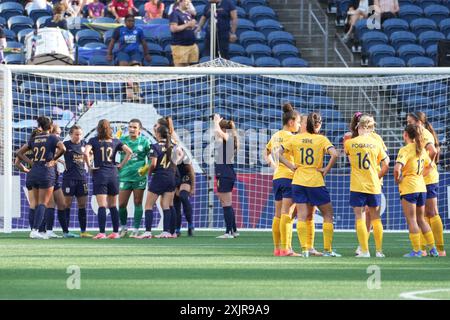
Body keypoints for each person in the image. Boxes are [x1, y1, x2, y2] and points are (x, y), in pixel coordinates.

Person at [279, 112, 340, 257]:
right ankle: (327, 250)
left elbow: (278, 153)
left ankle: (305, 249)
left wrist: (291, 166)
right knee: (328, 214)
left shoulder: (296, 138)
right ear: (318, 125)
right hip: (315, 181)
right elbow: (335, 154)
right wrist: (326, 169)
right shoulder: (321, 139)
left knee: (302, 215)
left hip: (298, 181)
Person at [344, 112, 389, 256]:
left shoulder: (349, 142)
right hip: (374, 183)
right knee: (376, 217)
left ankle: (364, 250)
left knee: (360, 217)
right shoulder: (377, 142)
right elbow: (386, 164)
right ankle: (379, 251)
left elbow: (350, 161)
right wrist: (377, 177)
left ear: (359, 126)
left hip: (357, 184)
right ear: (371, 127)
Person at [16, 116, 66, 240]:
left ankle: (36, 229)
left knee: (36, 203)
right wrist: (53, 160)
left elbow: (19, 153)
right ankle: (35, 230)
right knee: (43, 203)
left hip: (34, 172)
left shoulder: (34, 139)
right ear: (50, 127)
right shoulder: (53, 137)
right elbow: (63, 148)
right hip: (46, 173)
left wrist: (31, 163)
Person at [394, 124, 439, 258]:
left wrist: (398, 179)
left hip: (409, 188)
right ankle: (433, 249)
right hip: (421, 187)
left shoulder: (405, 149)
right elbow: (431, 166)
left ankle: (416, 250)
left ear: (406, 135)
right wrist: (420, 175)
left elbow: (397, 168)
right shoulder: (422, 149)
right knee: (421, 219)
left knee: (412, 220)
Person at [264, 103, 302, 256]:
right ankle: (287, 249)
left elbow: (265, 153)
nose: (299, 125)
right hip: (288, 177)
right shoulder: (292, 138)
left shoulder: (275, 135)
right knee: (288, 214)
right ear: (291, 122)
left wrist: (275, 166)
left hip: (277, 178)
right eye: (298, 122)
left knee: (278, 214)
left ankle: (278, 248)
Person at [84, 119, 132, 239]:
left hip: (100, 174)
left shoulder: (93, 140)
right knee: (112, 205)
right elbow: (129, 152)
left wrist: (89, 166)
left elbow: (85, 153)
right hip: (113, 174)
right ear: (109, 128)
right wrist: (121, 165)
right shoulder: (115, 141)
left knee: (102, 206)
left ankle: (102, 233)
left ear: (98, 128)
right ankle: (116, 233)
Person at [407, 112, 446, 257]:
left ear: (419, 122)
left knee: (432, 212)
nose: (408, 124)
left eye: (410, 121)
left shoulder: (424, 133)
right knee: (424, 215)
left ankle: (440, 249)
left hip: (428, 178)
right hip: (423, 179)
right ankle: (424, 249)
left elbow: (433, 151)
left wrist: (425, 167)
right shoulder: (421, 133)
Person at [140, 120, 179, 239]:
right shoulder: (173, 146)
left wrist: (149, 173)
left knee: (148, 205)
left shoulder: (155, 147)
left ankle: (147, 232)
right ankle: (167, 232)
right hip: (171, 177)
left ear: (157, 134)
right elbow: (176, 161)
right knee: (167, 205)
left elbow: (153, 164)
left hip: (159, 177)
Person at [118, 119, 151, 238]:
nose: (132, 129)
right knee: (121, 204)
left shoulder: (145, 141)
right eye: (130, 127)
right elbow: (111, 150)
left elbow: (152, 157)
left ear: (140, 129)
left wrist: (146, 168)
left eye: (134, 127)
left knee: (138, 202)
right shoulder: (122, 141)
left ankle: (136, 229)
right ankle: (123, 227)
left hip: (139, 177)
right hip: (125, 176)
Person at [62, 125, 93, 238]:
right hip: (69, 179)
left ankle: (83, 231)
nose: (78, 136)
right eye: (76, 134)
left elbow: (90, 155)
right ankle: (65, 231)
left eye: (80, 134)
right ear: (71, 134)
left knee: (82, 205)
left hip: (82, 179)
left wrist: (90, 159)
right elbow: (55, 155)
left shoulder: (84, 144)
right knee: (66, 205)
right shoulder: (65, 145)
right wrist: (62, 162)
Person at [214, 113, 239, 238]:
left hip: (224, 175)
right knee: (227, 203)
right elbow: (217, 134)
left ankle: (228, 232)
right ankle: (233, 230)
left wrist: (216, 121)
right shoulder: (226, 139)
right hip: (225, 174)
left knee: (226, 204)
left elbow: (217, 131)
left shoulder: (228, 137)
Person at [15, 129, 41, 231]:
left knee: (33, 203)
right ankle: (41, 230)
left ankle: (33, 230)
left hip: (31, 176)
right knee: (43, 204)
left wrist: (27, 170)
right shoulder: (44, 146)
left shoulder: (27, 146)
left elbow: (16, 162)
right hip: (43, 176)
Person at [169, 0, 199, 66]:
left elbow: (190, 26)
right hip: (180, 46)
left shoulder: (188, 14)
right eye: (186, 1)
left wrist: (193, 25)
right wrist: (188, 25)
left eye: (190, 1)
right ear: (180, 2)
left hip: (192, 45)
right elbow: (173, 28)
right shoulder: (175, 13)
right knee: (181, 72)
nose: (188, 3)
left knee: (192, 70)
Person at [173, 152, 195, 237]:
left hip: (185, 177)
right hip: (175, 179)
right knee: (176, 201)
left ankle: (190, 224)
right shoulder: (169, 156)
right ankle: (177, 229)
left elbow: (192, 172)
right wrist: (175, 188)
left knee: (183, 196)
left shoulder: (184, 157)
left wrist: (192, 187)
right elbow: (171, 174)